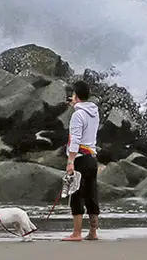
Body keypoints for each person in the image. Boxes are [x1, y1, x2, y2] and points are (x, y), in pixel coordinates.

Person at [63, 80, 100, 242]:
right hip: (92, 158)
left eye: (72, 94)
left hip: (80, 159)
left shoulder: (77, 115)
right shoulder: (94, 111)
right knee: (91, 193)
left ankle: (76, 233)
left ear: (75, 96)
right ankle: (93, 232)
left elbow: (76, 140)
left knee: (76, 194)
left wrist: (70, 161)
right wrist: (76, 104)